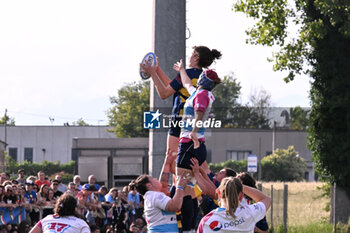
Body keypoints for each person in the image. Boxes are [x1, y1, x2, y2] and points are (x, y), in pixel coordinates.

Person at [140, 46, 222, 161]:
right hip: (195, 125)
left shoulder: (187, 73)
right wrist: (157, 70)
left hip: (179, 121)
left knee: (172, 162)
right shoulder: (204, 78)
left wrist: (153, 73)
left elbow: (164, 93)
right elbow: (174, 86)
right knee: (191, 164)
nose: (189, 56)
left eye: (191, 54)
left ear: (196, 57)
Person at [134, 152, 189, 233]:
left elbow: (163, 184)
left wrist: (167, 163)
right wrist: (180, 187)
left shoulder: (151, 196)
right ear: (149, 185)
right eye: (153, 179)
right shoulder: (155, 196)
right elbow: (175, 206)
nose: (156, 179)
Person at [197, 177, 271, 233]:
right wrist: (239, 186)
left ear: (219, 194)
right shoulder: (249, 213)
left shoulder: (206, 221)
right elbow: (266, 199)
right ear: (241, 196)